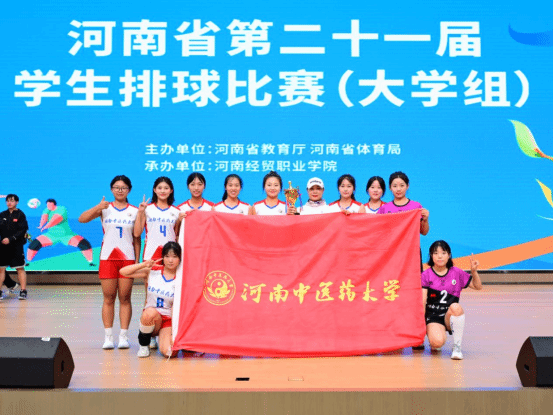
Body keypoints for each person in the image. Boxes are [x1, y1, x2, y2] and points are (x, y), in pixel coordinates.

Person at [79, 175, 141, 350]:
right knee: (108, 298)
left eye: (123, 188)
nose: (120, 190)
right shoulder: (105, 208)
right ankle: (108, 337)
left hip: (127, 259)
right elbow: (82, 219)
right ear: (111, 189)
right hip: (108, 258)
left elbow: (137, 238)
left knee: (125, 298)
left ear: (129, 190)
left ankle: (123, 337)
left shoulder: (135, 211)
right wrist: (98, 207)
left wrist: (137, 262)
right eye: (116, 187)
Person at [421, 241, 483, 360]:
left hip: (449, 316)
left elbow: (478, 286)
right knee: (437, 343)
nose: (440, 256)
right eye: (436, 253)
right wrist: (421, 326)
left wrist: (474, 272)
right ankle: (435, 334)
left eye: (443, 253)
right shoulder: (426, 275)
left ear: (449, 255)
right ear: (431, 256)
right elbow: (422, 302)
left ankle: (457, 347)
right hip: (433, 316)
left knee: (456, 307)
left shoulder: (456, 272)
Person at [120, 242, 181, 359]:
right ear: (162, 258)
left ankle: (163, 337)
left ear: (180, 259)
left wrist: (174, 333)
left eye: (174, 256)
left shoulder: (181, 277)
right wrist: (144, 264)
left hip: (168, 320)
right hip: (151, 317)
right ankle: (144, 345)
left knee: (169, 353)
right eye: (167, 256)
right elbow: (123, 272)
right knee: (149, 313)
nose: (170, 260)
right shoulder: (153, 271)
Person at [27, 199, 94, 266]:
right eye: (47, 205)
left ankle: (90, 263)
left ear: (53, 204)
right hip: (51, 235)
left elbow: (56, 219)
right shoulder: (47, 210)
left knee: (84, 244)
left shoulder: (62, 209)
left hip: (67, 235)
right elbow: (44, 217)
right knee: (34, 244)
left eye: (49, 204)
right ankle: (28, 262)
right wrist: (41, 225)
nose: (48, 206)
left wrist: (46, 226)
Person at [134, 177, 179, 263]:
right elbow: (136, 233)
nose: (163, 191)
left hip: (170, 256)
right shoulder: (147, 209)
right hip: (150, 255)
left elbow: (177, 235)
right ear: (154, 190)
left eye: (166, 188)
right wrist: (140, 212)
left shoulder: (177, 211)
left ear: (171, 191)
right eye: (159, 188)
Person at [0, 194, 29, 300]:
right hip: (3, 246)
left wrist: (11, 239)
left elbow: (22, 230)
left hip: (16, 246)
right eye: (8, 201)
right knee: (1, 269)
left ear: (17, 202)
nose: (9, 203)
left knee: (20, 268)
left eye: (12, 201)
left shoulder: (20, 214)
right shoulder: (2, 214)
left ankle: (23, 291)